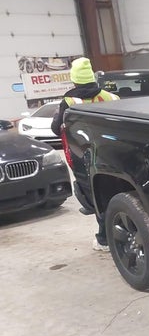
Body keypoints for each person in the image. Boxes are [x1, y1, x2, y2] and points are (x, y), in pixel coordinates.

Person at [51, 57, 119, 251]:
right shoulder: (111, 97)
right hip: (114, 155)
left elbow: (56, 128)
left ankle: (105, 239)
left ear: (75, 80)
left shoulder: (69, 101)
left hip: (84, 157)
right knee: (116, 193)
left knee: (97, 197)